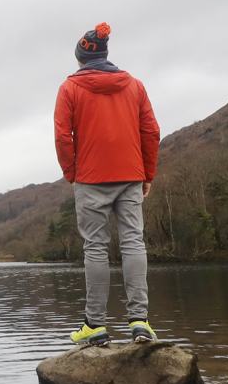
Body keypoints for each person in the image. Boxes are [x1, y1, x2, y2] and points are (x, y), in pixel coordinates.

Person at [53, 22, 161, 346]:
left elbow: (62, 136)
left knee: (95, 248)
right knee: (133, 243)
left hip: (90, 177)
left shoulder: (69, 89)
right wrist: (147, 174)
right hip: (130, 174)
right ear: (105, 54)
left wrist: (72, 172)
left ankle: (95, 326)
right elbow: (151, 132)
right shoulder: (135, 86)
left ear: (81, 59)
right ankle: (140, 322)